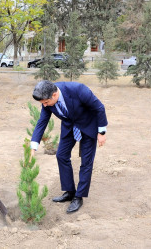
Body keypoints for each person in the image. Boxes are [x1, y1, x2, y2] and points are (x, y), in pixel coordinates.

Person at [30, 80, 108, 213]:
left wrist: (101, 132)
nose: (44, 105)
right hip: (69, 126)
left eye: (45, 102)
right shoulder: (47, 100)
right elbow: (42, 121)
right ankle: (70, 191)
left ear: (54, 95)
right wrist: (33, 146)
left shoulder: (78, 89)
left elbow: (99, 107)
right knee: (61, 155)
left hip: (88, 125)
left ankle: (79, 197)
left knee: (86, 161)